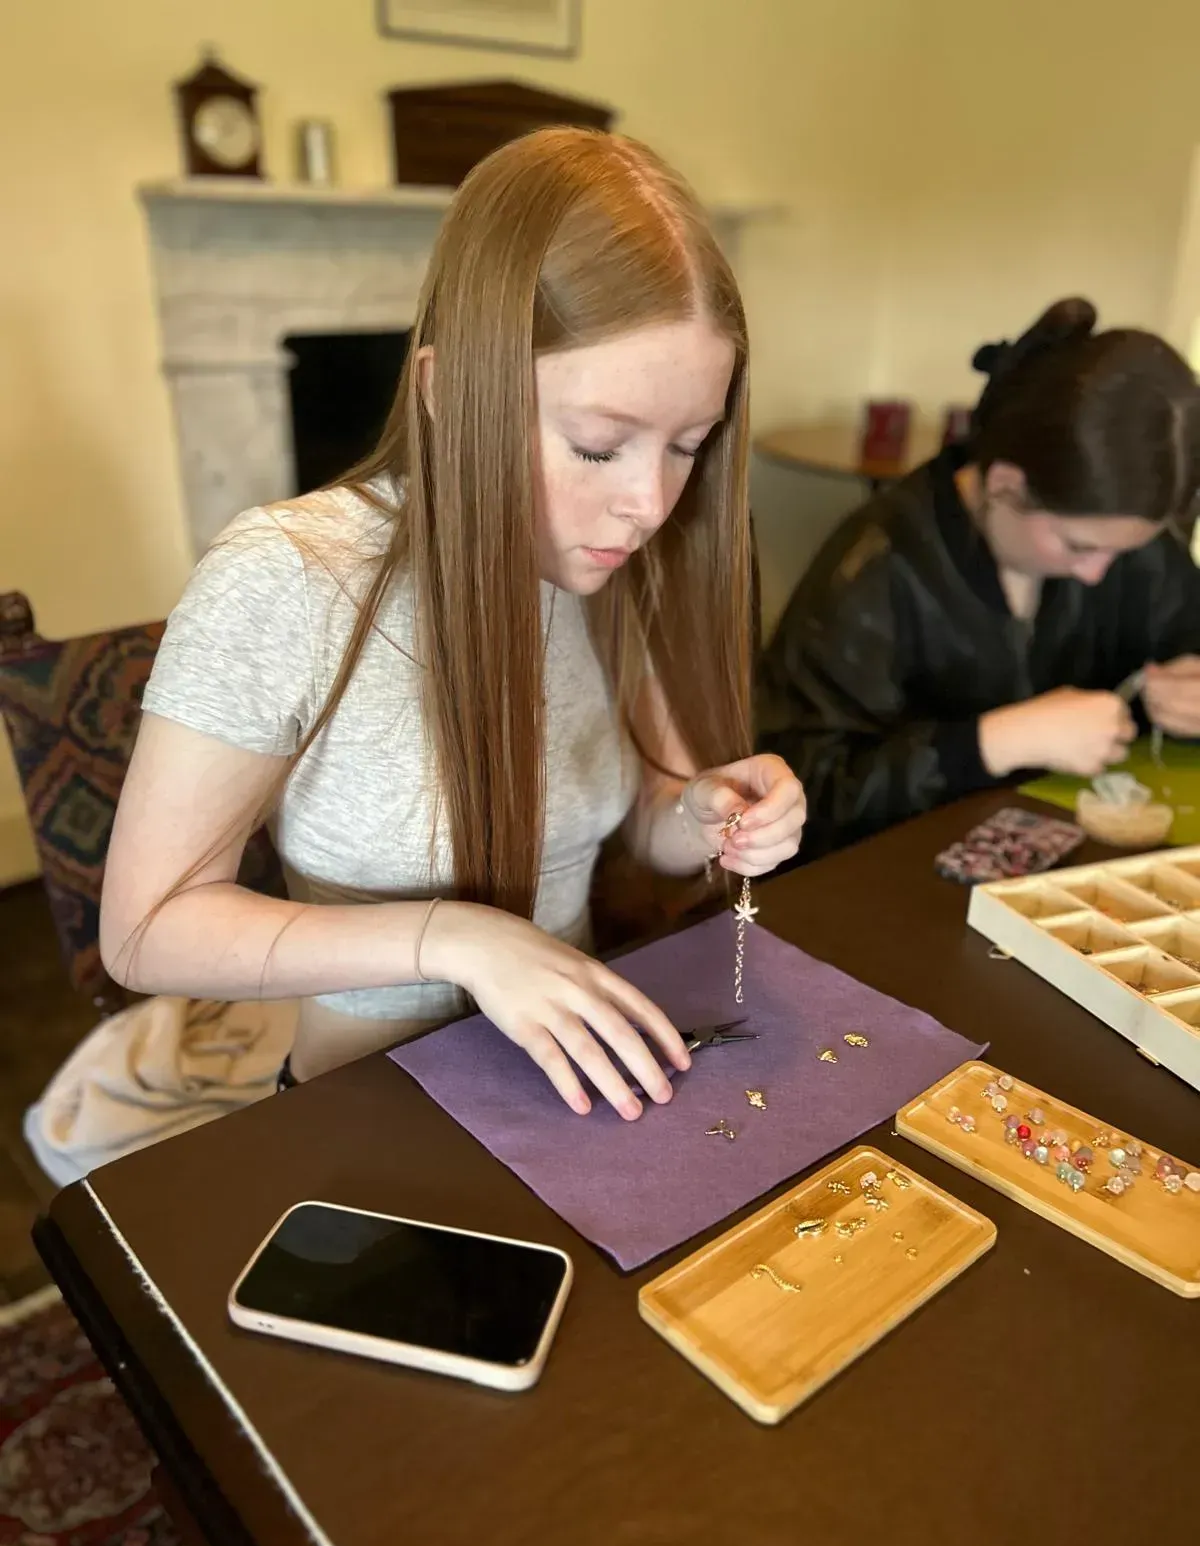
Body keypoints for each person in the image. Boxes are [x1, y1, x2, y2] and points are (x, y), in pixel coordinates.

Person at [100, 129, 807, 1120]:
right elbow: (145, 930)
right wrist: (461, 938)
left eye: (688, 445)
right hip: (368, 1112)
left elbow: (649, 824)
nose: (649, 503)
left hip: (578, 1098)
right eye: (599, 447)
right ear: (446, 391)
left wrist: (706, 813)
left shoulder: (614, 571)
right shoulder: (289, 578)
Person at [756, 298, 1200, 861]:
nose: (1096, 574)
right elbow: (802, 792)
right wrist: (993, 741)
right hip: (885, 883)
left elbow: (1186, 637)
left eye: (1123, 550)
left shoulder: (1136, 553)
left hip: (1067, 862)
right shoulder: (880, 566)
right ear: (1006, 483)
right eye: (1078, 546)